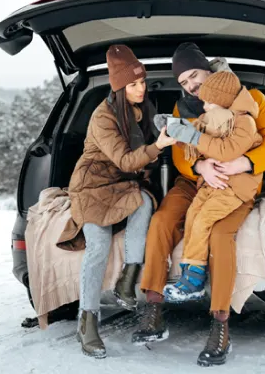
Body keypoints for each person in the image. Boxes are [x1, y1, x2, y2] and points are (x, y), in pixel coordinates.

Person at [131, 42, 265, 367]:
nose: (190, 85)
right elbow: (178, 154)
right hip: (193, 182)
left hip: (233, 181)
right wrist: (200, 167)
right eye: (184, 81)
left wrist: (246, 162)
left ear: (209, 69)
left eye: (194, 75)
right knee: (161, 221)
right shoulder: (181, 108)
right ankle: (153, 308)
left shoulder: (252, 99)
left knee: (219, 235)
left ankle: (220, 325)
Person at [68, 44, 177, 359]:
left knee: (145, 202)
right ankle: (87, 322)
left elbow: (140, 165)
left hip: (123, 186)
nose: (141, 88)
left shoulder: (142, 110)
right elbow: (126, 160)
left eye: (142, 82)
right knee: (98, 246)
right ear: (118, 87)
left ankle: (127, 281)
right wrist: (158, 145)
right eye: (133, 84)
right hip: (92, 187)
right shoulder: (103, 117)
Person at [161, 70, 263, 303]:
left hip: (235, 186)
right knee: (193, 215)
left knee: (205, 218)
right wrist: (178, 130)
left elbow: (227, 150)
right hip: (212, 183)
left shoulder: (244, 121)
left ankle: (195, 280)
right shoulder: (217, 118)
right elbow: (199, 134)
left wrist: (194, 138)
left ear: (223, 99)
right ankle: (189, 270)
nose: (204, 107)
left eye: (209, 102)